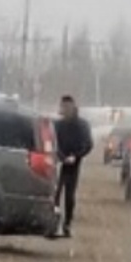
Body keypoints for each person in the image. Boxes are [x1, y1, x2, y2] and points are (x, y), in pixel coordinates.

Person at [53, 95, 93, 238]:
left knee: (69, 195)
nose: (65, 110)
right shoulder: (57, 125)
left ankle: (67, 224)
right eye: (63, 107)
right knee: (54, 194)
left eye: (67, 107)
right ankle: (53, 223)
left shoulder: (82, 125)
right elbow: (52, 142)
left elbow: (88, 144)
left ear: (73, 108)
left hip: (74, 164)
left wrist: (76, 156)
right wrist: (61, 157)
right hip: (57, 162)